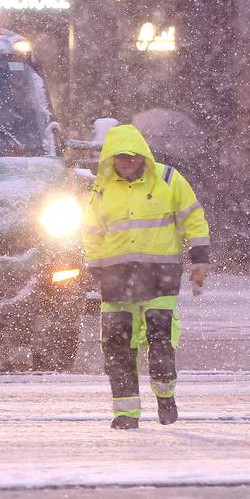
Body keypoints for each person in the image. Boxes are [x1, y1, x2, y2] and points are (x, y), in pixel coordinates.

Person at [83, 123, 212, 430]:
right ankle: (126, 413)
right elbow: (91, 231)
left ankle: (165, 398)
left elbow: (193, 218)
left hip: (159, 278)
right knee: (117, 349)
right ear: (111, 158)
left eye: (131, 156)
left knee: (160, 343)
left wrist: (200, 260)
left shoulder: (169, 180)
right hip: (116, 281)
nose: (126, 162)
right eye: (119, 157)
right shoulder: (102, 189)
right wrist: (94, 267)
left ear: (142, 156)